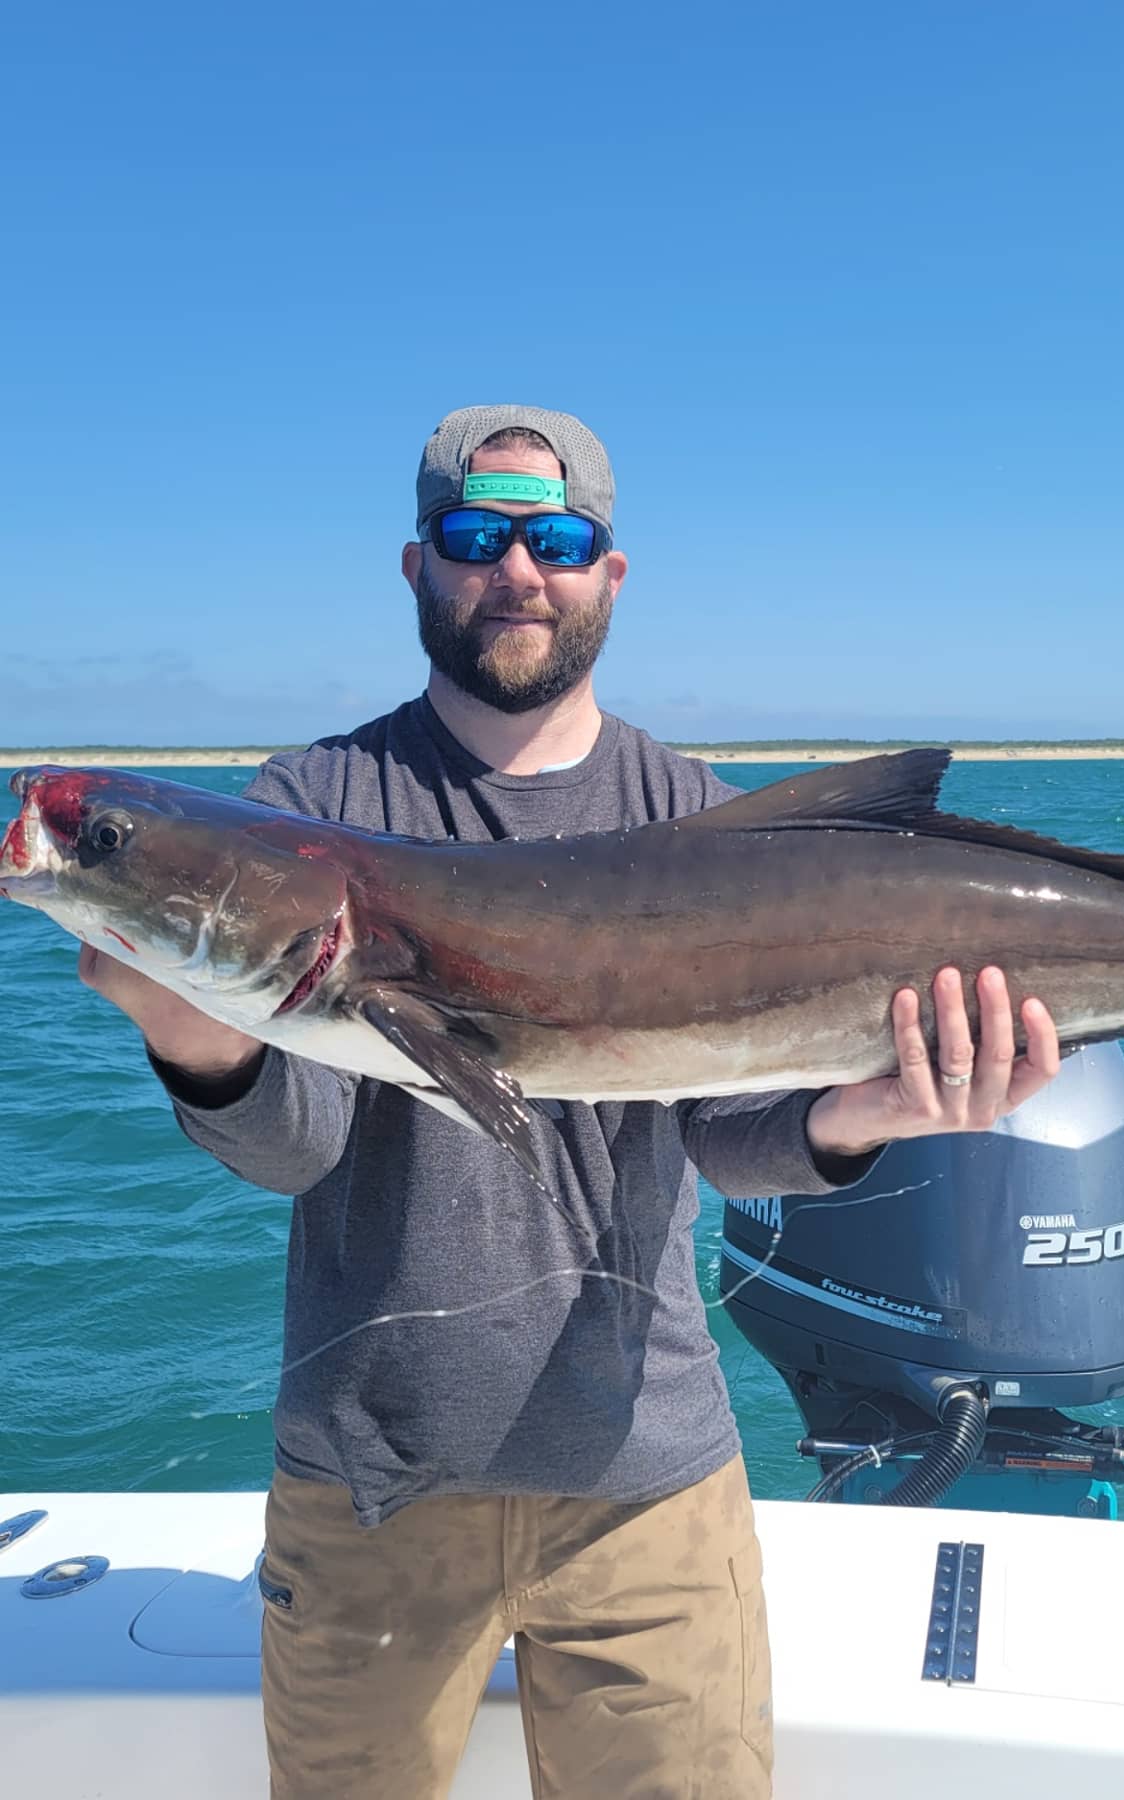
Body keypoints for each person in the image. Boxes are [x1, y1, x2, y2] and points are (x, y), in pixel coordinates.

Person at [81, 404, 1062, 1800]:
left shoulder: (700, 815)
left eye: (557, 539)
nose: (517, 571)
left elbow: (728, 1135)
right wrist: (201, 1042)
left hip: (651, 1491)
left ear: (611, 570)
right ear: (418, 567)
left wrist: (873, 1114)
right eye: (476, 538)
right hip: (371, 1489)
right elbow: (298, 1150)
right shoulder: (316, 800)